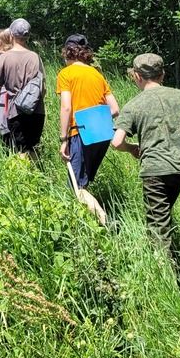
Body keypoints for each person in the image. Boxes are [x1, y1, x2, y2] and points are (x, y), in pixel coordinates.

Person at [111, 53, 180, 247]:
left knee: (157, 227)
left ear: (137, 76)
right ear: (162, 75)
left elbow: (117, 142)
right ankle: (169, 247)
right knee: (164, 212)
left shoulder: (133, 105)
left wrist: (132, 148)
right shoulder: (178, 95)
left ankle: (162, 262)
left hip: (155, 170)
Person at [57, 34, 119, 225]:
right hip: (102, 133)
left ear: (68, 52)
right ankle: (87, 222)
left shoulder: (66, 74)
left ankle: (105, 223)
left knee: (76, 186)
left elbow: (66, 107)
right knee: (83, 182)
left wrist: (63, 139)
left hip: (80, 132)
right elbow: (115, 109)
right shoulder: (97, 74)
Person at [0, 19, 45, 158]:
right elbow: (43, 89)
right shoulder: (35, 57)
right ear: (27, 36)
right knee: (32, 148)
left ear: (11, 35)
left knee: (20, 150)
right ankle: (36, 171)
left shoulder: (4, 58)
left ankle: (23, 173)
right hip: (37, 111)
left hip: (16, 111)